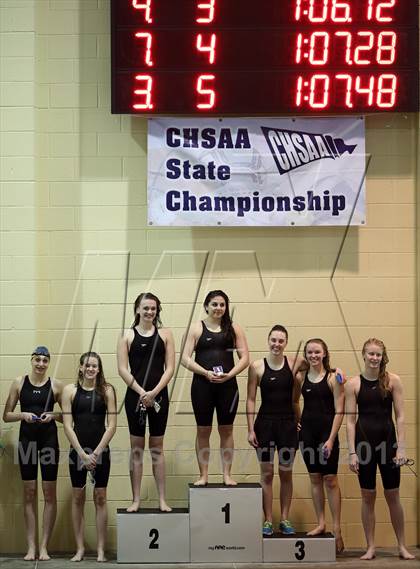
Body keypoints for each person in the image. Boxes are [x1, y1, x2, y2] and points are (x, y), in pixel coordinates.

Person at [345, 338, 415, 560]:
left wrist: (401, 449)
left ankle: (402, 546)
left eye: (378, 354)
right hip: (364, 447)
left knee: (392, 495)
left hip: (389, 445)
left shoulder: (393, 381)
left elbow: (401, 417)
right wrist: (352, 452)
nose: (374, 358)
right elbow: (349, 421)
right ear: (363, 355)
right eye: (371, 354)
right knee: (368, 496)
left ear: (382, 356)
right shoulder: (353, 384)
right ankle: (371, 547)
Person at [182, 290, 249, 486]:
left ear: (226, 307)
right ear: (206, 306)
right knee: (203, 430)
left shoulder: (234, 328)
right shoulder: (196, 328)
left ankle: (227, 475)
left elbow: (244, 358)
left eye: (222, 304)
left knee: (226, 430)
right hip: (202, 386)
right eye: (214, 304)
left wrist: (231, 374)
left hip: (228, 387)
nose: (218, 308)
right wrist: (205, 372)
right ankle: (203, 475)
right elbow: (185, 358)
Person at [3, 346, 63, 561]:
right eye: (37, 360)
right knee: (29, 493)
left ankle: (44, 547)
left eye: (44, 361)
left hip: (48, 442)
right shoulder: (19, 383)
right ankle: (31, 547)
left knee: (49, 494)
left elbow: (68, 417)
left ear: (48, 363)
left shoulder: (56, 386)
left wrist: (53, 415)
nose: (40, 364)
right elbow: (6, 416)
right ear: (32, 360)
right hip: (27, 441)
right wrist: (23, 415)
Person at [117, 292, 175, 512]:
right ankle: (136, 500)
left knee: (157, 448)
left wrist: (154, 393)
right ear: (137, 310)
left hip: (159, 396)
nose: (150, 312)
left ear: (157, 310)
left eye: (153, 308)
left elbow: (169, 368)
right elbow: (122, 369)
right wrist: (143, 393)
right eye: (146, 308)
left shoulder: (166, 334)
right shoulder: (127, 335)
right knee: (137, 449)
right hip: (136, 397)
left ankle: (162, 499)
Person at [247, 324, 303, 535]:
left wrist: (336, 371)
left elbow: (319, 365)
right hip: (265, 425)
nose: (277, 344)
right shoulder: (257, 367)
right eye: (273, 340)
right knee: (267, 473)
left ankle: (285, 519)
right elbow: (251, 399)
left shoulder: (295, 363)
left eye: (281, 341)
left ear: (286, 343)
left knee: (286, 473)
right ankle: (268, 520)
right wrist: (251, 429)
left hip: (288, 425)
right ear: (268, 340)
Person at [62, 351, 117, 562]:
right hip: (77, 452)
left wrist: (95, 453)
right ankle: (80, 548)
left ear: (99, 369)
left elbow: (111, 426)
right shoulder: (70, 391)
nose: (91, 369)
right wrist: (82, 455)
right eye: (88, 365)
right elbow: (68, 426)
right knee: (77, 498)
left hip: (100, 450)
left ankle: (101, 549)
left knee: (100, 497)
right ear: (80, 367)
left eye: (95, 366)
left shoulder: (107, 390)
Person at [295, 338, 344, 553]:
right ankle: (321, 522)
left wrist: (331, 439)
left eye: (317, 352)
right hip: (307, 433)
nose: (313, 355)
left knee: (330, 479)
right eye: (310, 352)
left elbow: (340, 410)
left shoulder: (334, 378)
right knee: (314, 478)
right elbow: (295, 401)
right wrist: (298, 421)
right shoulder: (301, 377)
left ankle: (337, 528)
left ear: (324, 353)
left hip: (327, 433)